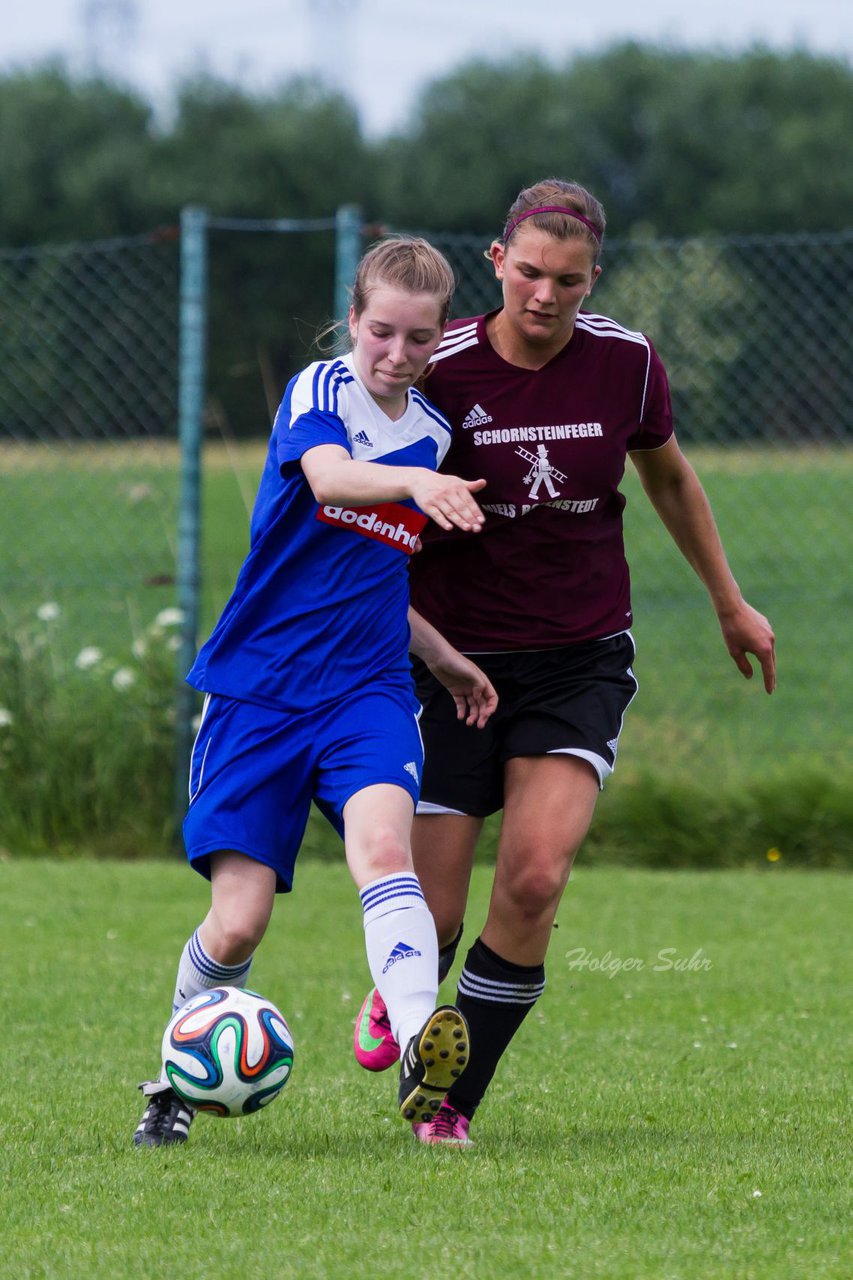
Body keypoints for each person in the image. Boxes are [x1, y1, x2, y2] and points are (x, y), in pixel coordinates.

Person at [353, 179, 777, 1145]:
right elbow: (365, 493)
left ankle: (449, 1102)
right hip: (450, 665)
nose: (546, 296)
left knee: (537, 878)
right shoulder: (439, 368)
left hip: (577, 659)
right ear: (498, 261)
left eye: (570, 282)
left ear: (595, 280)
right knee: (439, 905)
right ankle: (405, 982)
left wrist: (728, 600)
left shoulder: (625, 363)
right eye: (531, 274)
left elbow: (666, 471)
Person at [133, 236, 498, 1147]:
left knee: (385, 850)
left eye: (419, 339)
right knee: (238, 920)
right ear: (352, 317)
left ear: (439, 334)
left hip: (366, 690)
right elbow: (333, 481)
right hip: (260, 689)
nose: (397, 355)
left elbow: (379, 567)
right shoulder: (320, 393)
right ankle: (171, 1088)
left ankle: (420, 1042)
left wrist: (443, 656)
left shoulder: (433, 434)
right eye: (381, 332)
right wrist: (417, 479)